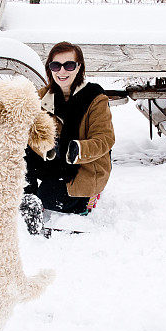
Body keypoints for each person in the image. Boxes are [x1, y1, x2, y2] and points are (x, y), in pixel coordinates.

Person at [22, 41, 114, 231]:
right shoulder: (43, 97)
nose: (62, 71)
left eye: (69, 65)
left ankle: (87, 198)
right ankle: (27, 199)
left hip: (85, 166)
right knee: (23, 149)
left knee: (47, 195)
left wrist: (78, 149)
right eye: (56, 65)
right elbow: (31, 134)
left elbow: (105, 139)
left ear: (79, 67)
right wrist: (45, 148)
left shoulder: (95, 98)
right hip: (57, 160)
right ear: (50, 68)